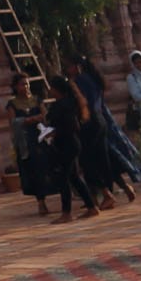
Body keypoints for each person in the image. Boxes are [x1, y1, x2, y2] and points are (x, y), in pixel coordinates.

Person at [72, 56, 138, 206]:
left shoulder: (80, 81)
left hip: (89, 122)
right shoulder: (95, 79)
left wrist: (81, 118)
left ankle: (103, 194)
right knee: (105, 158)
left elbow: (83, 103)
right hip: (102, 119)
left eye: (69, 66)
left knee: (88, 160)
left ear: (77, 67)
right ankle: (122, 188)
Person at [43, 76, 100, 224]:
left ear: (57, 89)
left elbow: (71, 126)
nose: (50, 90)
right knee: (74, 177)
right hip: (67, 143)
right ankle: (91, 207)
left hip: (68, 144)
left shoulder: (65, 105)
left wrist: (54, 132)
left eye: (52, 88)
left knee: (63, 179)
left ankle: (66, 213)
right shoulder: (63, 103)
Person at [5, 75, 52, 217]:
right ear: (15, 87)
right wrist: (29, 119)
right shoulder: (12, 104)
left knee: (47, 167)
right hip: (26, 141)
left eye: (26, 84)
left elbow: (45, 115)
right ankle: (41, 202)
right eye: (21, 84)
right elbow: (13, 122)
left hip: (41, 138)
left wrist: (39, 119)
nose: (25, 87)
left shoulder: (37, 100)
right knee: (33, 170)